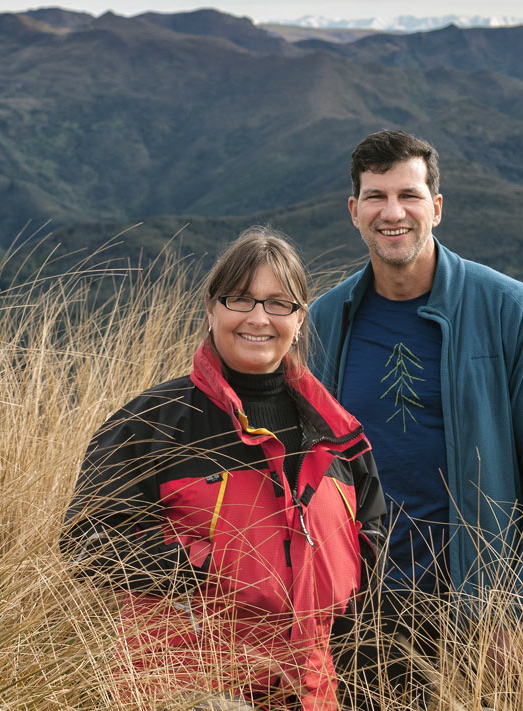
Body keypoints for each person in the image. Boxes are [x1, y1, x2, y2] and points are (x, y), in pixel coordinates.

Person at [62, 227, 386, 711]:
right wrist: (206, 564)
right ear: (211, 309)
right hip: (186, 689)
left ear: (299, 319)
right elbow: (86, 541)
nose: (259, 318)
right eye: (240, 299)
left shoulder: (340, 437)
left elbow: (370, 543)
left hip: (312, 691)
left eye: (279, 304)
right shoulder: (152, 422)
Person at [309, 130, 523, 702]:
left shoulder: (511, 310)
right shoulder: (326, 320)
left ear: (436, 205)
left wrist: (522, 612)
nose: (393, 212)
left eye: (408, 195)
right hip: (356, 610)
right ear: (354, 211)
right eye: (376, 197)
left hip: (475, 612)